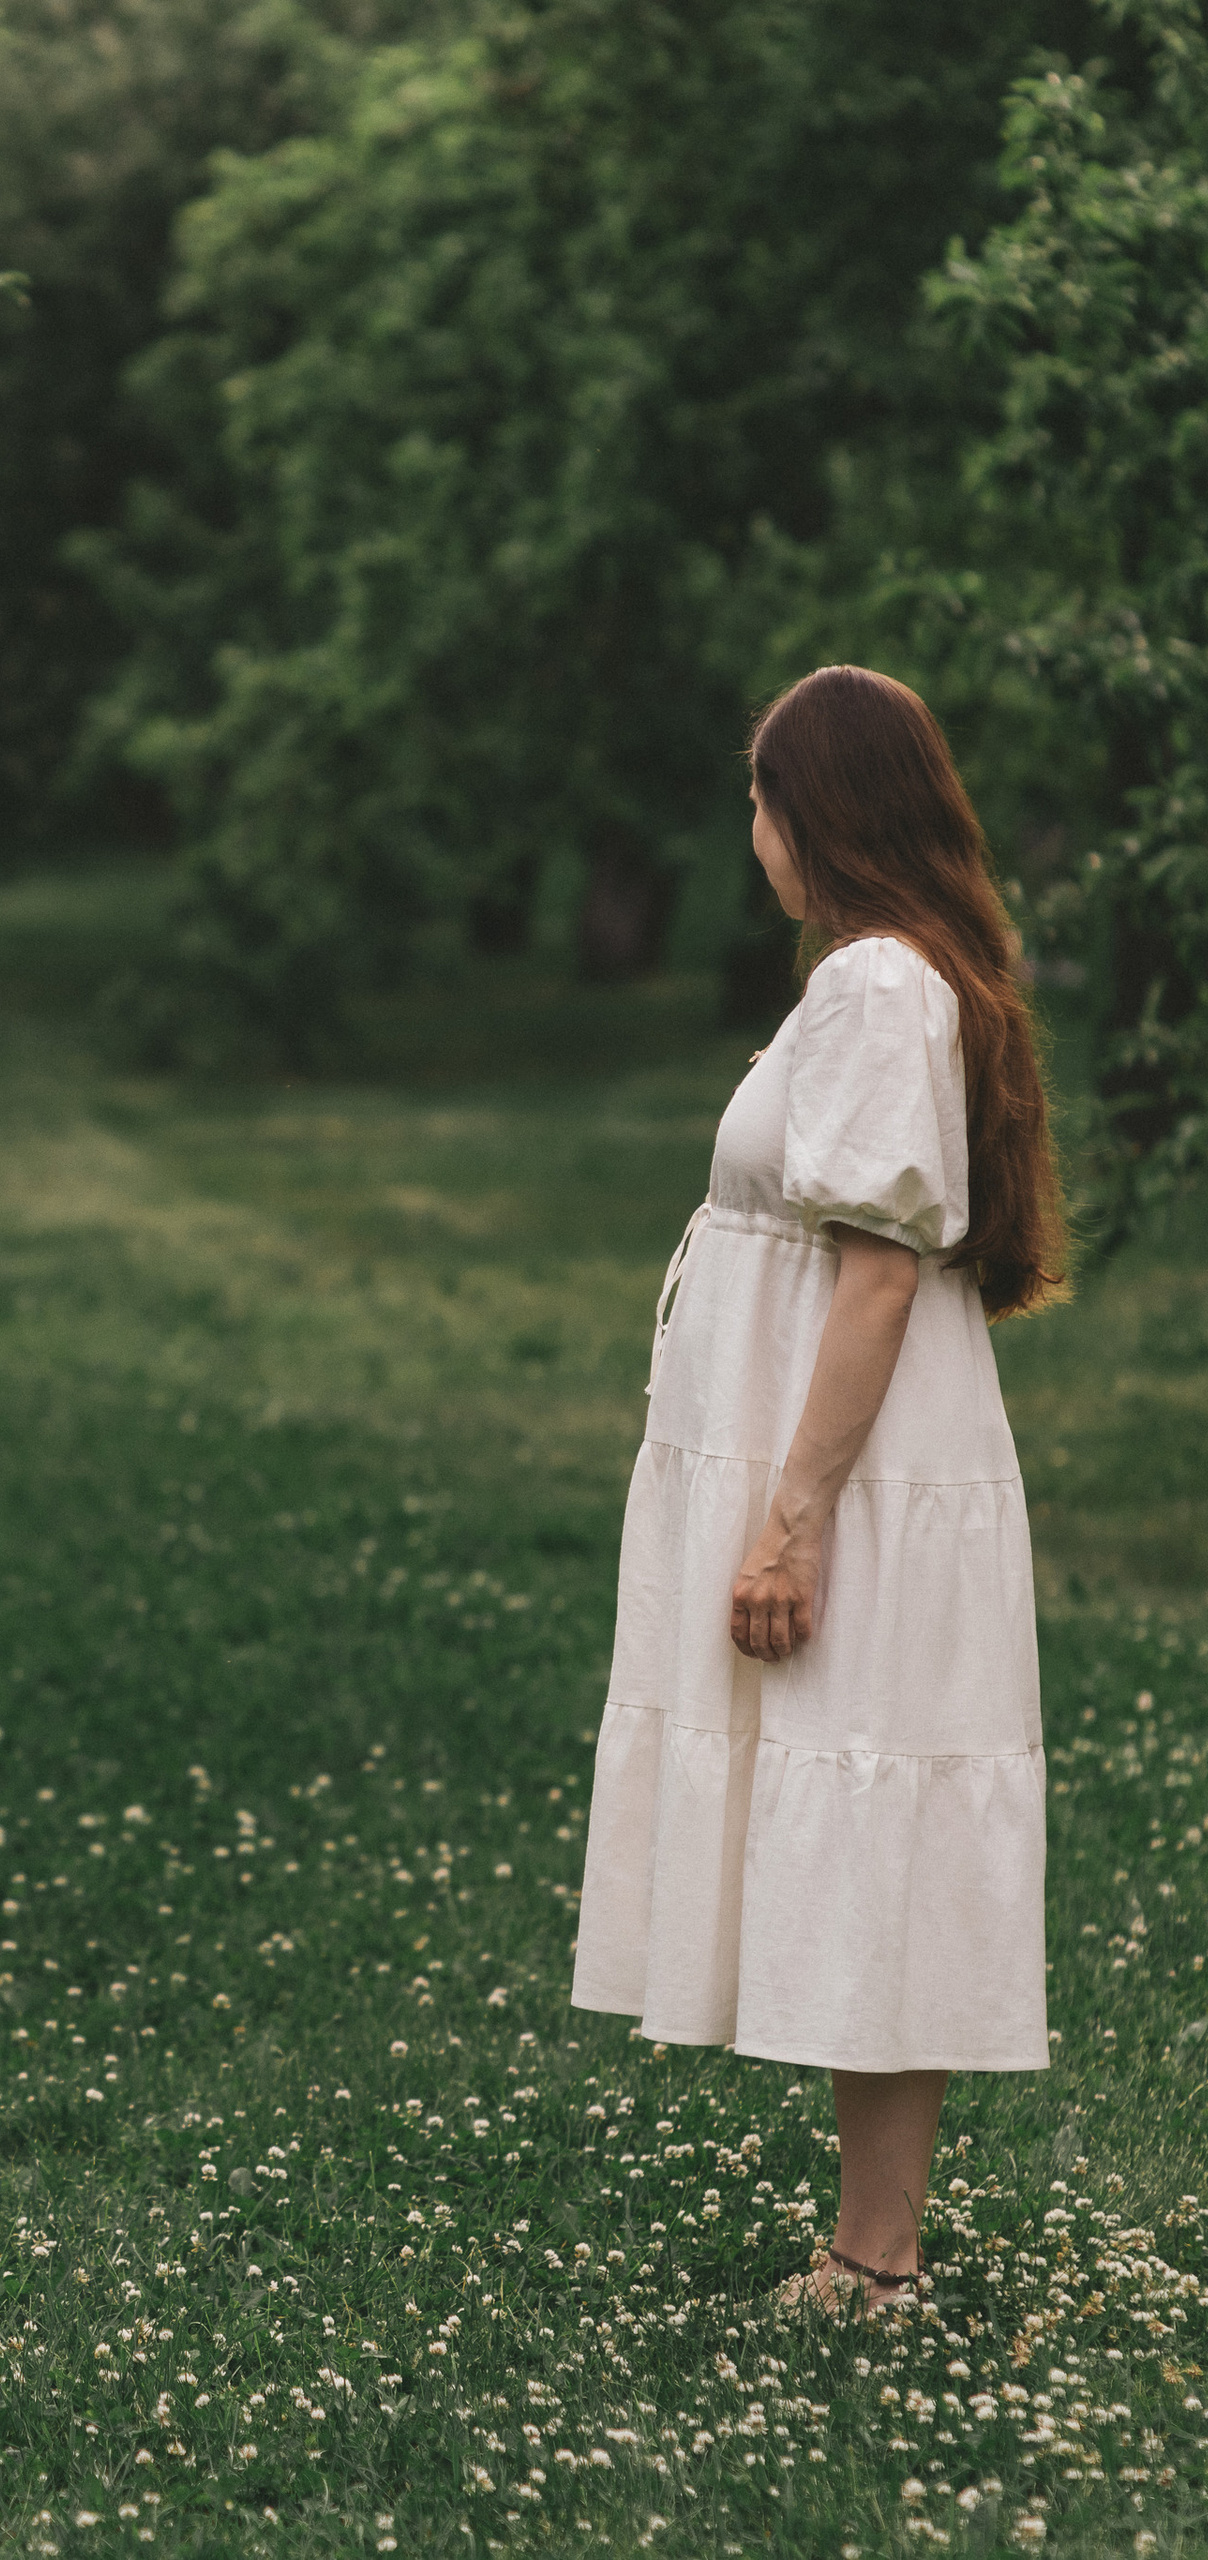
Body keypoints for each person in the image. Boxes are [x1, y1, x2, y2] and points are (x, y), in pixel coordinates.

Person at [572, 666, 1068, 2317]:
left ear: (824, 815)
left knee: (872, 1811)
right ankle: (875, 2250)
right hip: (851, 1454)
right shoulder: (896, 976)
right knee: (869, 1818)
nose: (755, 832)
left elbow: (869, 1278)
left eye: (765, 799)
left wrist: (792, 1516)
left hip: (848, 1470)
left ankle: (879, 2259)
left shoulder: (874, 984)